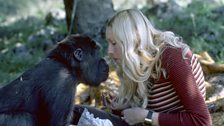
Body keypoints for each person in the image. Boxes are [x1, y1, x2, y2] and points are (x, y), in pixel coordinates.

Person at [72, 9, 212, 126]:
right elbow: (155, 108)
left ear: (133, 41)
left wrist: (147, 116)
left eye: (114, 43)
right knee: (72, 112)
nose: (109, 50)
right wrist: (122, 107)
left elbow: (202, 121)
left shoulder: (172, 56)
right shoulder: (140, 61)